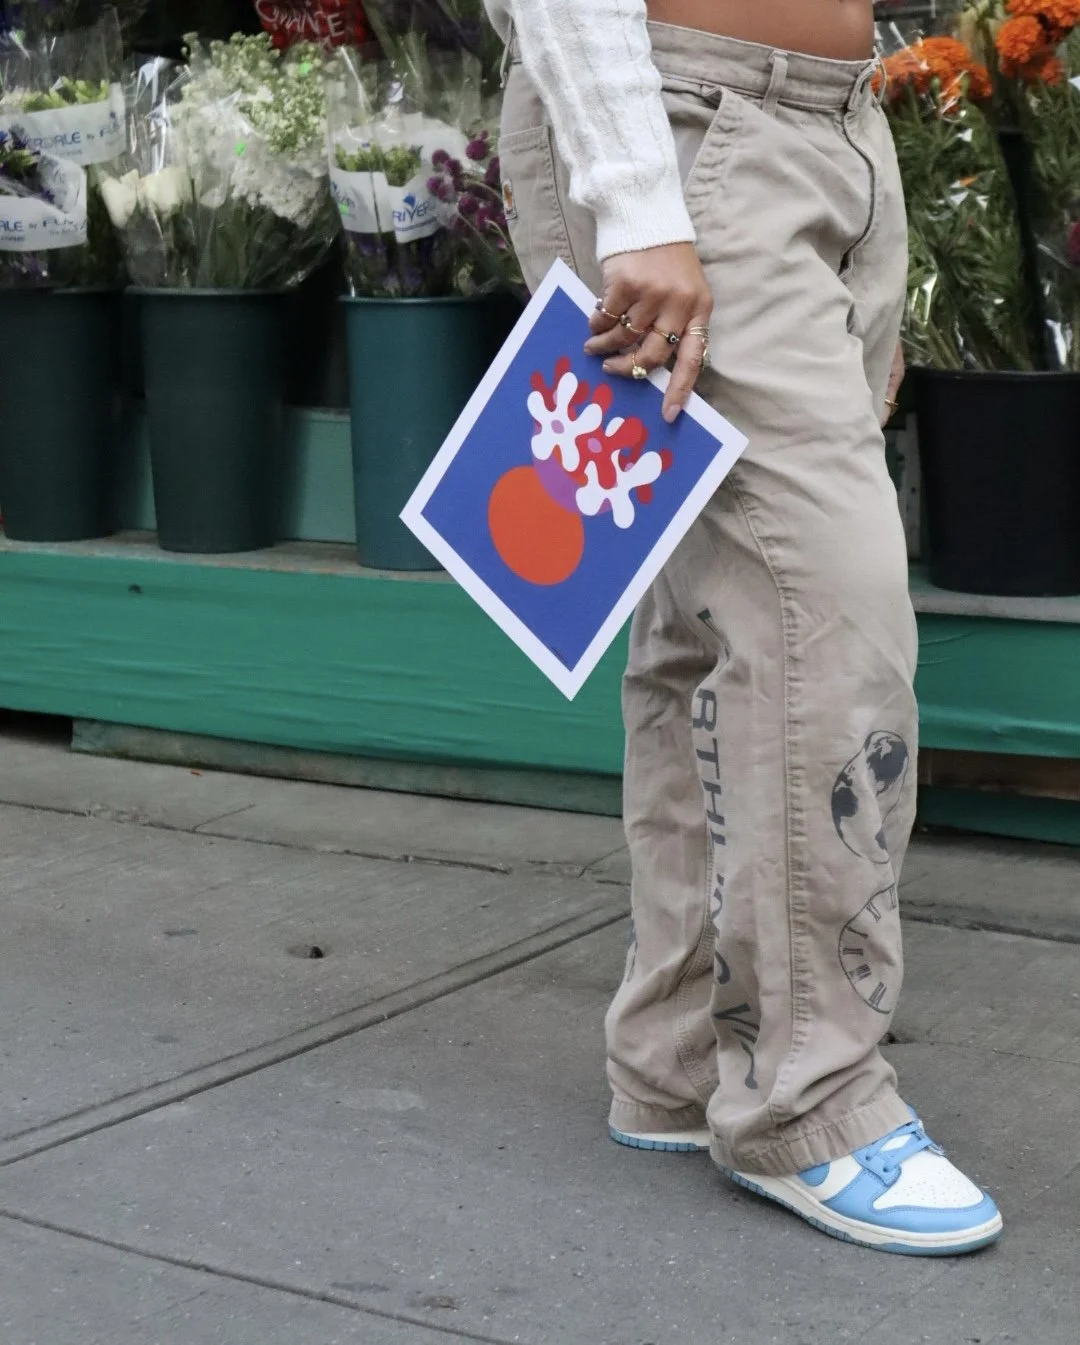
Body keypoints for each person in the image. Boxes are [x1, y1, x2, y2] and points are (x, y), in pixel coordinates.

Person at [483, 0, 1003, 1255]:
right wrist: (634, 196)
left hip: (828, 119)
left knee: (707, 611)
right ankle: (810, 1101)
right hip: (682, 124)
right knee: (832, 606)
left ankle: (675, 1050)